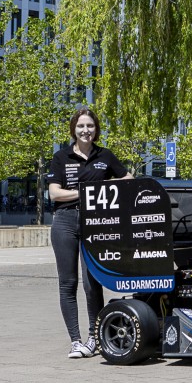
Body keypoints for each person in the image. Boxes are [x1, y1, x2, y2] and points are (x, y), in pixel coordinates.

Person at [47, 107, 133, 359]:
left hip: (97, 223)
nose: (86, 131)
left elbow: (127, 178)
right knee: (67, 283)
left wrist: (107, 187)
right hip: (65, 221)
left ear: (96, 130)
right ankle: (75, 340)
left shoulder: (105, 156)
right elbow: (55, 193)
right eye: (81, 126)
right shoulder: (61, 157)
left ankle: (94, 338)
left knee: (92, 282)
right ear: (74, 129)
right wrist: (88, 190)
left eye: (90, 126)